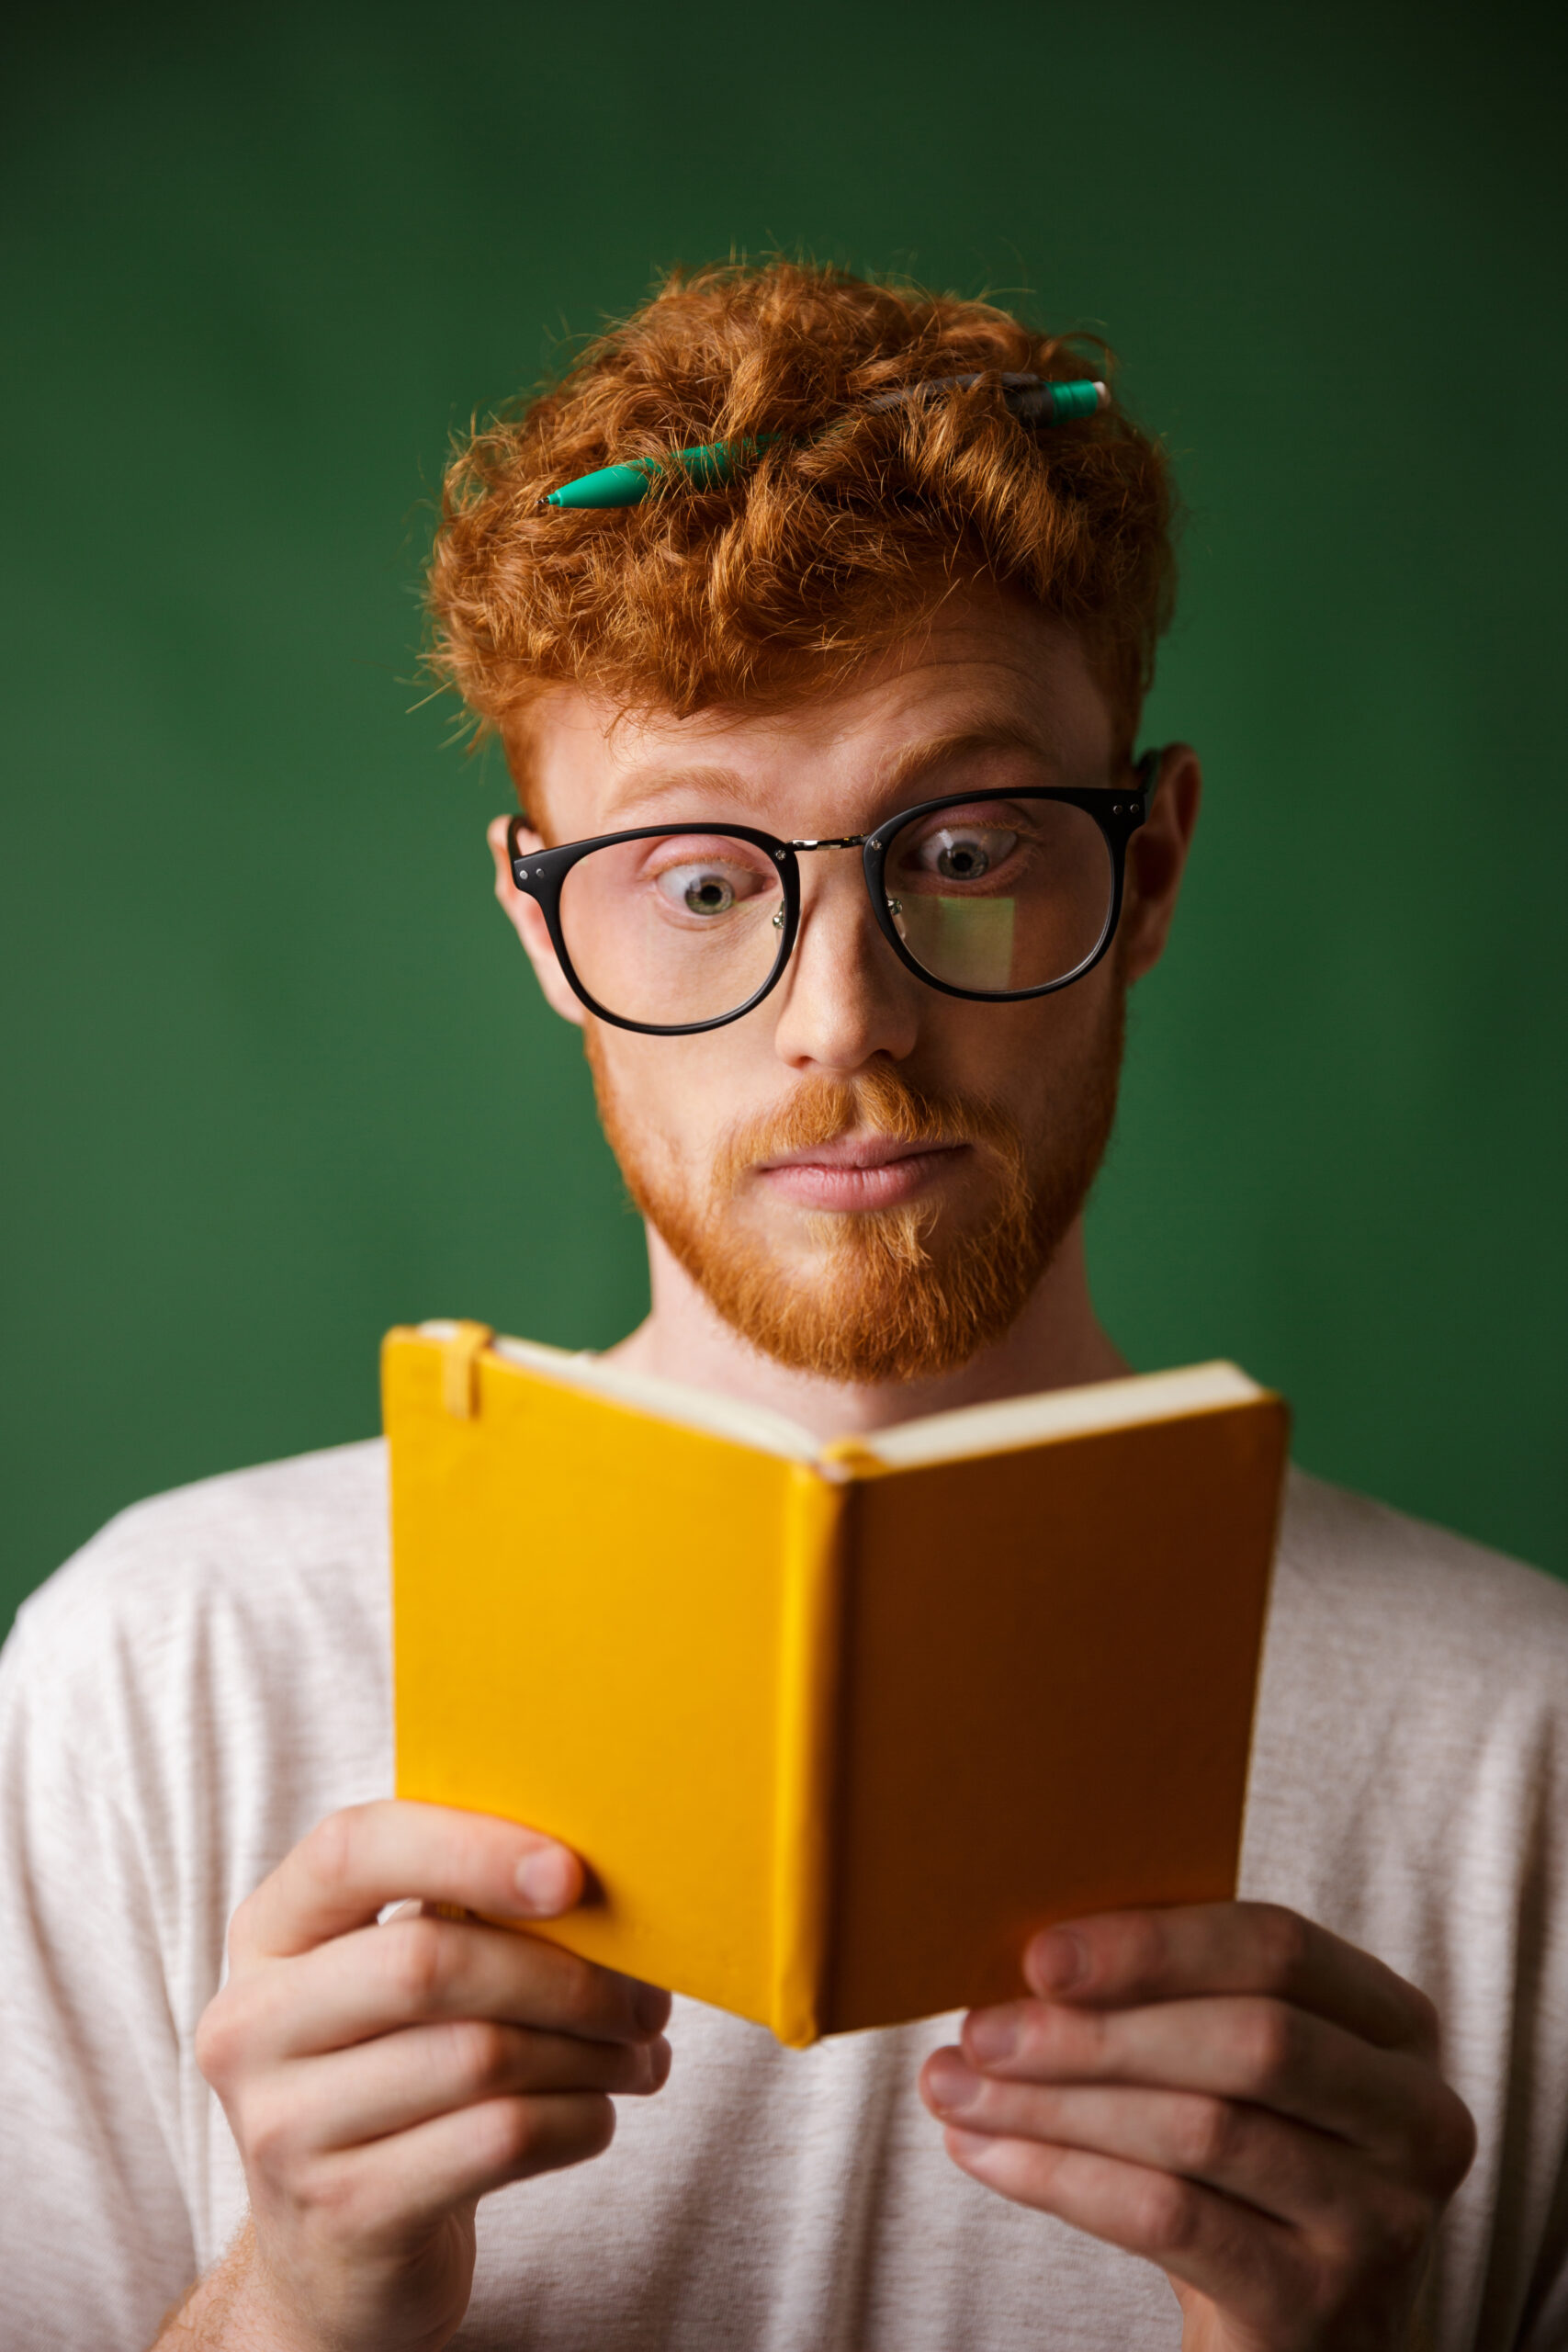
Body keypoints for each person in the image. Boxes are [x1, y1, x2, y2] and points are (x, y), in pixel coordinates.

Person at [2, 261, 1564, 2352]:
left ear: (1153, 868)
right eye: (704, 878)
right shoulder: (156, 1667)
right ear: (542, 926)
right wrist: (291, 2299)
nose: (845, 1018)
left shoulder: (1527, 1751)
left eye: (970, 847)